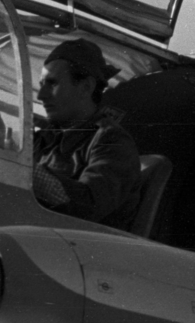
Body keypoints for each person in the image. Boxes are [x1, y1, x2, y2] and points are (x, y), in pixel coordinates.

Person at [32, 38, 142, 229]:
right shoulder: (43, 140)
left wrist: (22, 168)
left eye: (52, 83)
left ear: (86, 87)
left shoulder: (112, 141)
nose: (40, 95)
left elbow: (88, 204)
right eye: (42, 84)